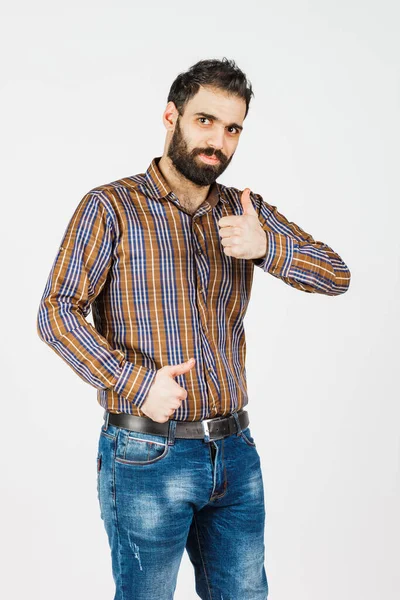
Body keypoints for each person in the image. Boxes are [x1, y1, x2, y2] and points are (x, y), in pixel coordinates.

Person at [36, 57, 351, 599]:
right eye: (205, 121)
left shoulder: (243, 211)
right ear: (171, 116)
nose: (219, 142)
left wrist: (268, 248)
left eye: (233, 129)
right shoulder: (111, 206)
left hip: (235, 453)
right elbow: (56, 310)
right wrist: (136, 382)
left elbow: (336, 275)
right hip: (145, 454)